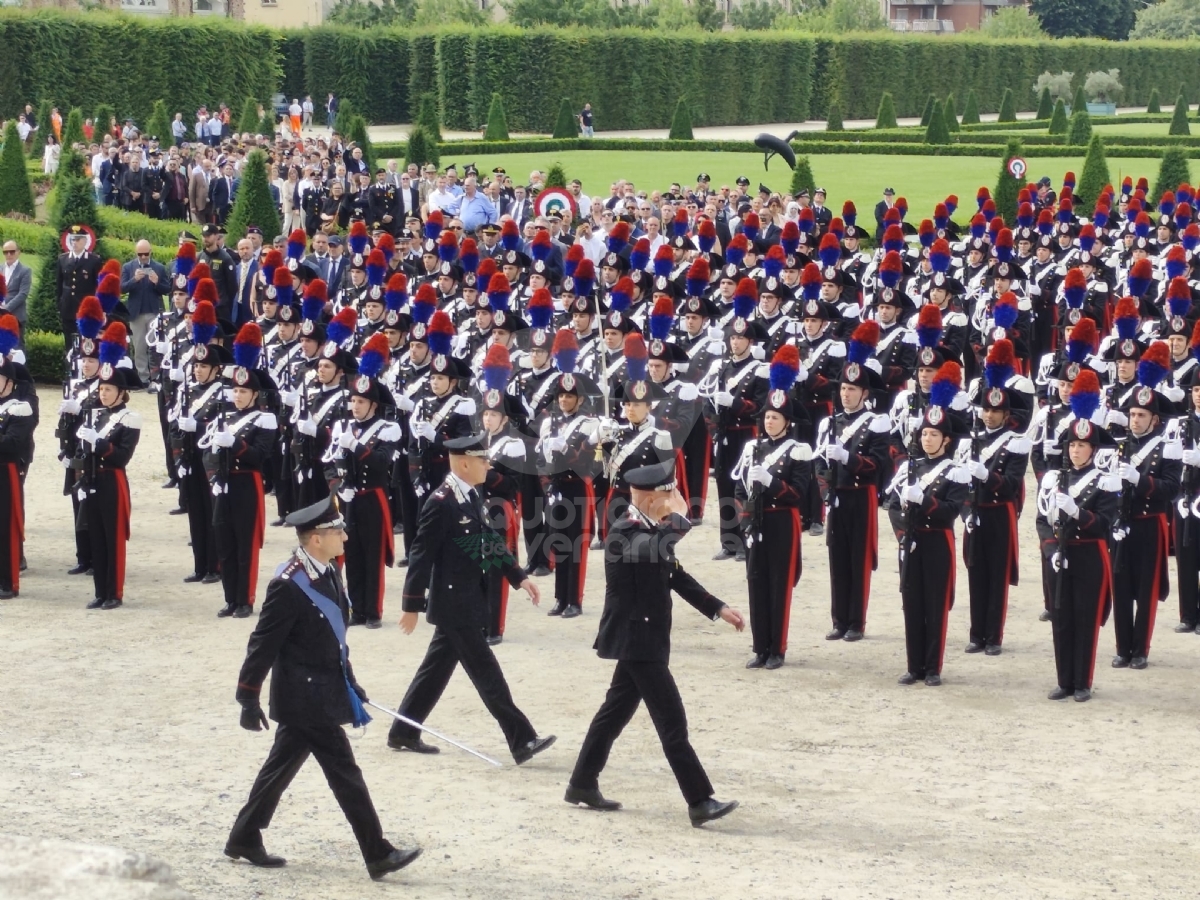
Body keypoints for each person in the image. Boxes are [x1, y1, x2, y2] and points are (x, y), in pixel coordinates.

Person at [226, 496, 421, 880]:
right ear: (316, 539)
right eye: (337, 531)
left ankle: (244, 837)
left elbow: (333, 639)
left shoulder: (328, 570)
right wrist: (248, 696)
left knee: (279, 769)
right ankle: (377, 852)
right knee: (345, 772)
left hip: (320, 691)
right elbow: (262, 642)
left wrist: (351, 681)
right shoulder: (289, 584)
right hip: (304, 698)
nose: (345, 537)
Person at [565, 458, 745, 825]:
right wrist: (681, 518)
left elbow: (675, 576)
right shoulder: (624, 531)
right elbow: (656, 548)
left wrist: (717, 607)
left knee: (612, 715)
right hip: (637, 640)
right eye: (670, 493)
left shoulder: (649, 527)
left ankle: (582, 783)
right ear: (649, 497)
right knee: (672, 723)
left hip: (643, 638)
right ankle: (699, 800)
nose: (676, 498)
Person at [390, 432, 556, 766]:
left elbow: (486, 538)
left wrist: (517, 575)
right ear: (465, 463)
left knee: (434, 671)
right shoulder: (441, 502)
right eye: (483, 460)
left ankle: (404, 731)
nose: (488, 465)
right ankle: (521, 739)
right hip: (455, 603)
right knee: (486, 672)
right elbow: (422, 555)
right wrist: (411, 604)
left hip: (467, 597)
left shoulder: (470, 493)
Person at [1035, 373, 1118, 703]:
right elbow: (1042, 521)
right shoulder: (1055, 477)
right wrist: (1051, 548)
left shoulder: (1104, 481)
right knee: (1061, 617)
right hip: (1060, 554)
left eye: (1082, 445)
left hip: (1089, 554)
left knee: (1085, 618)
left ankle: (1082, 681)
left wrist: (1077, 512)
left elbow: (1105, 523)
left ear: (1093, 449)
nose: (1076, 450)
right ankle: (1064, 679)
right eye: (1072, 444)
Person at [886, 362, 969, 687]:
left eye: (935, 434)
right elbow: (893, 506)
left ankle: (932, 667)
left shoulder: (954, 471)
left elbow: (950, 512)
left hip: (937, 542)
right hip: (911, 540)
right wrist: (903, 529)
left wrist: (926, 502)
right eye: (925, 434)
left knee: (934, 604)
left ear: (946, 440)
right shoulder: (909, 468)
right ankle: (914, 665)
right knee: (912, 601)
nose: (929, 438)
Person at [735, 346, 811, 670]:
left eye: (775, 417)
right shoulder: (753, 448)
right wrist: (745, 514)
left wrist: (771, 483)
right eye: (766, 416)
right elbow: (738, 486)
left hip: (783, 521)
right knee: (756, 581)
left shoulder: (799, 450)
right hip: (757, 522)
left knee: (779, 583)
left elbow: (799, 493)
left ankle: (777, 648)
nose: (769, 421)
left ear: (787, 421)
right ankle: (759, 646)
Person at [204, 324, 278, 619]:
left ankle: (245, 599)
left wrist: (234, 444)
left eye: (243, 391)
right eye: (235, 389)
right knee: (224, 541)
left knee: (245, 544)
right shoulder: (225, 416)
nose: (237, 395)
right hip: (223, 483)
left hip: (247, 484)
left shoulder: (265, 419)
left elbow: (259, 456)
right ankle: (230, 597)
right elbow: (209, 452)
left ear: (255, 394)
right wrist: (213, 476)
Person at [77, 323, 142, 610]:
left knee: (112, 538)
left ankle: (114, 592)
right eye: (102, 388)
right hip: (92, 479)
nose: (103, 394)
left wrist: (99, 444)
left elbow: (121, 456)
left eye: (109, 389)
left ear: (121, 392)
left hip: (113, 480)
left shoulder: (129, 418)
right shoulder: (96, 415)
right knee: (96, 536)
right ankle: (100, 590)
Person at [0, 352, 34, 600]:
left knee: (6, 525)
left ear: (10, 383)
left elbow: (12, 444)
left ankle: (9, 582)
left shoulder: (19, 408)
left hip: (5, 470)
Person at [120, 241, 170, 385]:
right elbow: (122, 288)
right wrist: (134, 279)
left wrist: (157, 282)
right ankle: (143, 379)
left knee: (156, 347)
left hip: (154, 312)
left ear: (150, 252)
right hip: (136, 313)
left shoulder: (159, 267)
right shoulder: (128, 267)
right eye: (139, 254)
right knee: (139, 347)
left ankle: (157, 377)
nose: (143, 257)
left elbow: (167, 289)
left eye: (145, 254)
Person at [55, 226, 103, 338]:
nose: (74, 242)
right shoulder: (63, 259)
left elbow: (98, 285)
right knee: (68, 338)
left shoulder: (94, 260)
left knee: (84, 338)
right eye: (72, 239)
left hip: (84, 306)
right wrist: (60, 304)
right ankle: (69, 355)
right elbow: (59, 284)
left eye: (78, 239)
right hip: (67, 306)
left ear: (85, 241)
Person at [2, 241, 33, 346]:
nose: (9, 255)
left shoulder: (25, 271)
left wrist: (6, 308)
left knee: (17, 347)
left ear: (18, 252)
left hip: (16, 316)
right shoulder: (0, 268)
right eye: (5, 252)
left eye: (12, 252)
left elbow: (23, 294)